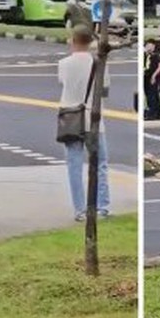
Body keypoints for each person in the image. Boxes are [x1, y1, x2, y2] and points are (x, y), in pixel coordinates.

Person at [58, 25, 110, 222]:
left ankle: (80, 209)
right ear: (91, 42)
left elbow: (63, 84)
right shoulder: (99, 63)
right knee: (100, 163)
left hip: (70, 119)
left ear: (73, 40)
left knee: (74, 164)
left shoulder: (63, 63)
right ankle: (102, 206)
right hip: (94, 118)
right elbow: (105, 90)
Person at [143, 38, 160, 121]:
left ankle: (153, 114)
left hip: (153, 77)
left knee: (152, 96)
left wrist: (154, 76)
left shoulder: (156, 55)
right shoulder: (144, 55)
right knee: (151, 95)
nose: (150, 48)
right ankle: (158, 114)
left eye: (151, 46)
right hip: (146, 77)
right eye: (148, 46)